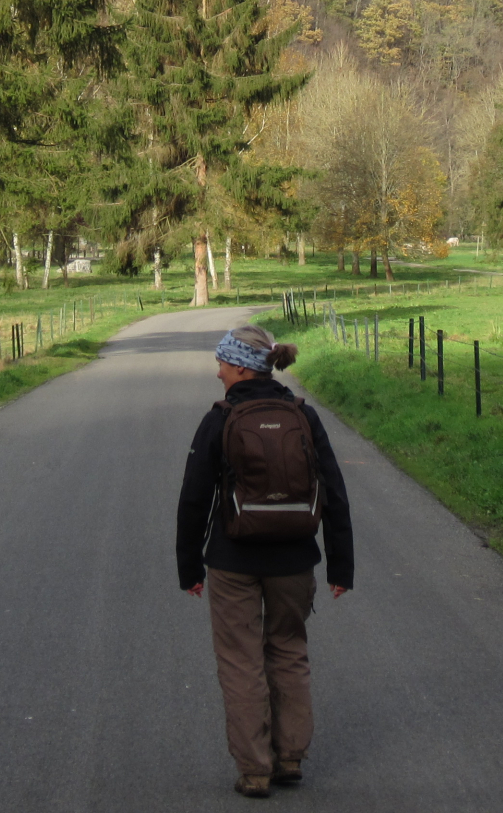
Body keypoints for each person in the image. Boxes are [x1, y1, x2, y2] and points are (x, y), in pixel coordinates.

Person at [177, 324, 354, 799]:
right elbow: (333, 492)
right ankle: (290, 757)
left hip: (232, 560)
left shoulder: (219, 418)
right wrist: (340, 567)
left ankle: (255, 770)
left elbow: (194, 498)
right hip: (295, 559)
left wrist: (189, 568)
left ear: (239, 366)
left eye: (221, 363)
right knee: (288, 651)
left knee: (240, 661)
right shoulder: (303, 416)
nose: (217, 373)